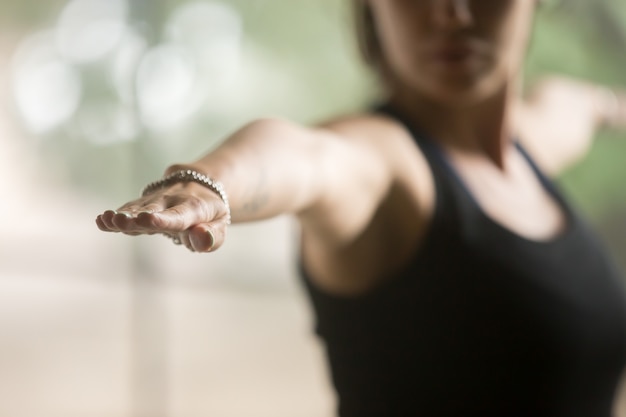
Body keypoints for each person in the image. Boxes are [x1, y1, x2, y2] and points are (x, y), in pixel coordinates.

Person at [97, 0, 626, 415]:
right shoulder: (383, 164)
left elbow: (575, 103)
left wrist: (608, 105)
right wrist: (210, 183)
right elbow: (304, 157)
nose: (452, 12)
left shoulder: (529, 144)